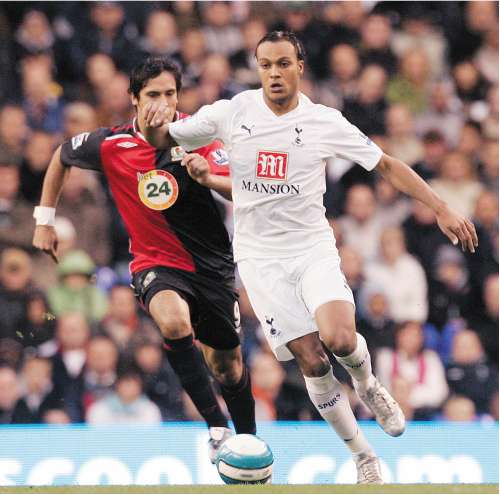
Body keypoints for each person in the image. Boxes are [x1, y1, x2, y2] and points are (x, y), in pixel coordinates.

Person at [143, 31, 478, 484]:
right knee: (313, 362)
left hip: (311, 247)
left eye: (283, 63)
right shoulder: (232, 112)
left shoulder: (325, 121)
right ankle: (362, 455)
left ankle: (369, 385)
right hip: (261, 259)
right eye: (265, 65)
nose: (274, 73)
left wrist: (440, 207)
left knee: (340, 339)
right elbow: (165, 137)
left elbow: (386, 165)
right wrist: (150, 119)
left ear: (300, 65)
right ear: (257, 67)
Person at [32, 57, 256, 461]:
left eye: (170, 93)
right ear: (134, 99)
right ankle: (218, 429)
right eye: (153, 94)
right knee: (172, 320)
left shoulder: (198, 136)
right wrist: (44, 220)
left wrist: (207, 176)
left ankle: (253, 443)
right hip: (155, 263)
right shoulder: (112, 144)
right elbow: (61, 156)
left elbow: (238, 190)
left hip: (213, 269)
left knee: (229, 368)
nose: (163, 102)